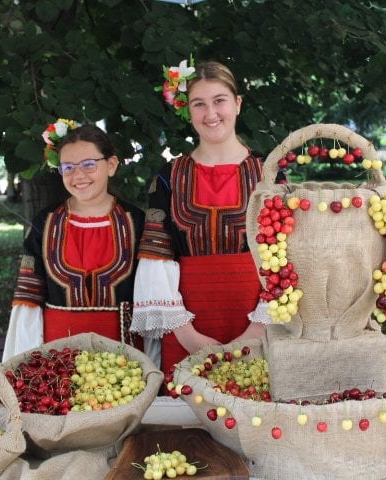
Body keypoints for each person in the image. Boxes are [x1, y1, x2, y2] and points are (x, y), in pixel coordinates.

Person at [131, 60, 272, 376]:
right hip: (185, 323)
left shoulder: (270, 174)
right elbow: (156, 256)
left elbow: (289, 257)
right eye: (199, 104)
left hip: (259, 323)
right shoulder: (168, 177)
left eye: (219, 100)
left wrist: (258, 330)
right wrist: (186, 334)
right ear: (187, 110)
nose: (211, 114)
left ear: (237, 103)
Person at [2, 122, 145, 361]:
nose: (78, 175)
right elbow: (28, 300)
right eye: (67, 167)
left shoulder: (137, 223)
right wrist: (24, 365)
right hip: (57, 363)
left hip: (126, 362)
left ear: (111, 165)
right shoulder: (45, 224)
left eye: (89, 164)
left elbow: (153, 296)